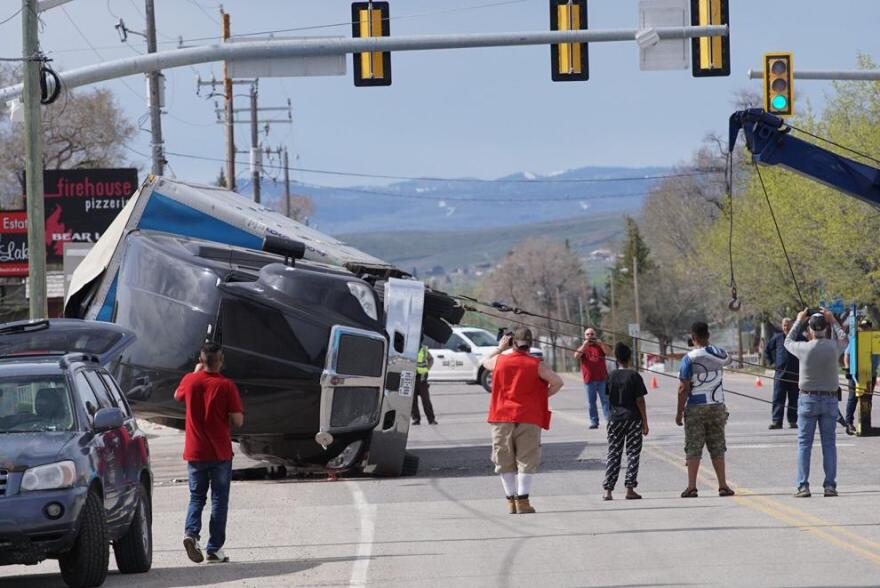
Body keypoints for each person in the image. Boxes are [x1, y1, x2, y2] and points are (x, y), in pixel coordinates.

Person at [174, 342, 244, 564]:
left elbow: (177, 395)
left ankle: (191, 534)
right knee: (219, 501)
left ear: (201, 360)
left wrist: (193, 374)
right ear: (221, 360)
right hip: (220, 452)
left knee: (196, 497)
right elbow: (238, 420)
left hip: (195, 452)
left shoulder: (189, 381)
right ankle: (214, 548)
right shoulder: (227, 386)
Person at [482, 327, 563, 514]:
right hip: (529, 417)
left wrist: (499, 348)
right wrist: (542, 397)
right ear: (530, 344)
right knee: (526, 460)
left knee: (504, 460)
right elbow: (558, 382)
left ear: (513, 343)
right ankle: (524, 502)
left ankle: (511, 502)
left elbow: (484, 362)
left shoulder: (499, 361)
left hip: (501, 417)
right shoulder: (536, 365)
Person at [784, 308, 848, 497]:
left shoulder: (803, 348)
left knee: (804, 444)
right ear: (825, 328)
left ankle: (803, 485)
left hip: (807, 399)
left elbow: (787, 340)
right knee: (829, 444)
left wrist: (798, 320)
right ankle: (830, 485)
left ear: (810, 330)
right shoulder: (833, 346)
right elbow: (845, 339)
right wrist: (833, 320)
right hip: (830, 400)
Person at [677, 321, 734, 498]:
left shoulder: (688, 358)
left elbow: (683, 388)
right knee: (717, 446)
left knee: (694, 447)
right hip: (717, 406)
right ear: (708, 336)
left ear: (693, 338)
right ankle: (723, 485)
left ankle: (692, 487)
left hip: (695, 407)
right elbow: (728, 359)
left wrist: (679, 412)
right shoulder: (719, 353)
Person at [602, 342, 649, 501]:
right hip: (633, 419)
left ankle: (608, 490)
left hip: (615, 418)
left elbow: (608, 396)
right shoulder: (634, 376)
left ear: (616, 358)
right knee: (633, 453)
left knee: (613, 452)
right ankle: (630, 489)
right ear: (629, 358)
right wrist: (645, 422)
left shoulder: (611, 376)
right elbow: (640, 400)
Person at [764, 317, 800, 429]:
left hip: (795, 374)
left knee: (794, 399)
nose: (786, 327)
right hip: (780, 374)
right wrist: (771, 363)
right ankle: (777, 421)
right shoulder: (777, 338)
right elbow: (767, 350)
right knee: (778, 398)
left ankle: (793, 421)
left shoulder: (799, 338)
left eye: (788, 325)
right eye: (784, 325)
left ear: (792, 326)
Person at [574, 328, 611, 429]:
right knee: (591, 403)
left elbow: (609, 353)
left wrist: (601, 344)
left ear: (595, 335)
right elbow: (576, 356)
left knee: (605, 401)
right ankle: (594, 421)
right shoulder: (583, 347)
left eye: (592, 334)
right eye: (587, 334)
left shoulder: (599, 346)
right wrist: (585, 345)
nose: (590, 336)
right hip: (589, 380)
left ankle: (609, 420)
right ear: (585, 336)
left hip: (602, 379)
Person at [843, 319, 875, 435]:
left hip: (870, 374)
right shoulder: (855, 340)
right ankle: (849, 423)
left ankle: (866, 423)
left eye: (866, 326)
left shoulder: (874, 340)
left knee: (868, 399)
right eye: (861, 326)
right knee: (853, 398)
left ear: (870, 328)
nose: (863, 329)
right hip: (856, 374)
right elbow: (847, 355)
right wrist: (847, 368)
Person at [412, 341, 437, 425]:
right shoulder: (408, 347)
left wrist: (427, 369)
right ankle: (416, 419)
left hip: (422, 377)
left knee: (426, 400)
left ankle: (431, 419)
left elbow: (431, 359)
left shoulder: (423, 349)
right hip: (411, 377)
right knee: (413, 400)